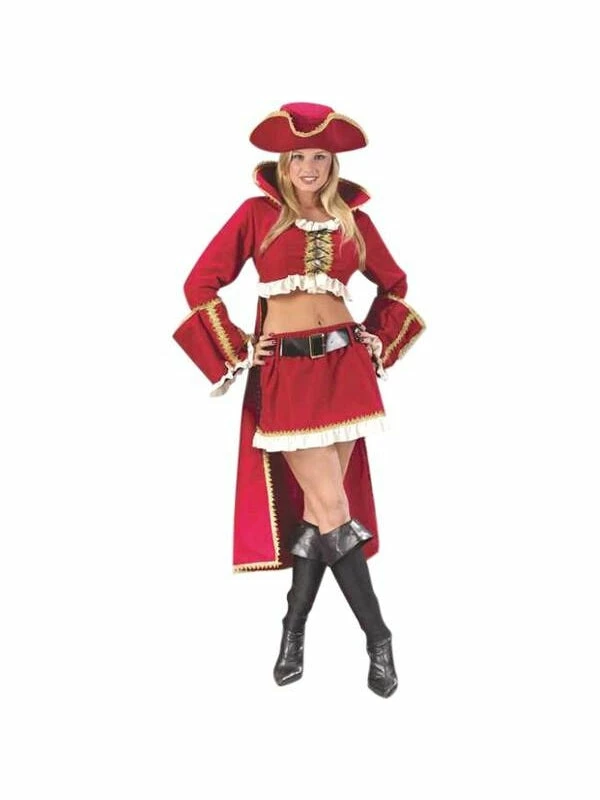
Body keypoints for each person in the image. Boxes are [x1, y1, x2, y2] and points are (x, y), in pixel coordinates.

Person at [173, 102, 426, 698]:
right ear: (283, 164)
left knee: (321, 509)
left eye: (319, 157)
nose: (309, 167)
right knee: (333, 507)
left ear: (332, 164)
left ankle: (292, 630)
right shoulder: (256, 215)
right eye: (298, 157)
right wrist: (240, 345)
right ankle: (379, 638)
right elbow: (199, 283)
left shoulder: (353, 220)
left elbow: (394, 285)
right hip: (287, 373)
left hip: (347, 370)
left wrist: (374, 339)